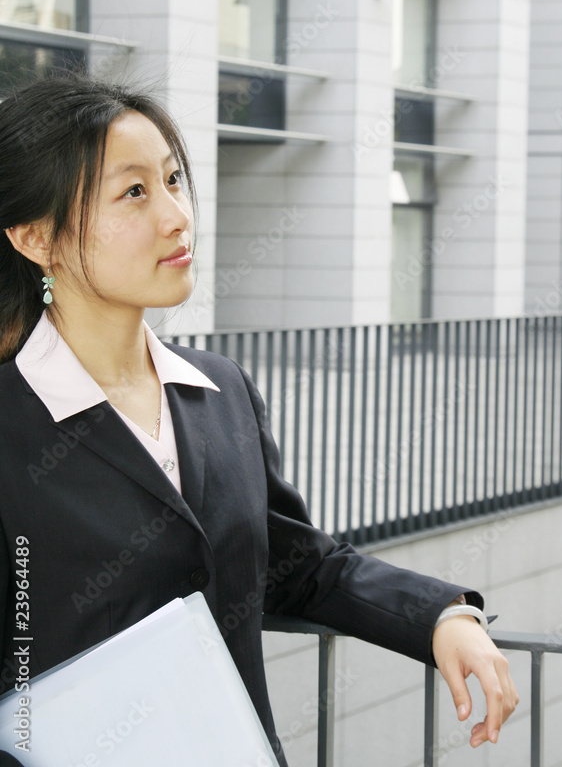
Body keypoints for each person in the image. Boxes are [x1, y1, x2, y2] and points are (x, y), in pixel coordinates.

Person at [0, 75, 518, 766]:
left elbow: (294, 566)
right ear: (37, 236)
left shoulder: (220, 390)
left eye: (173, 180)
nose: (176, 215)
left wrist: (440, 615)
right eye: (134, 192)